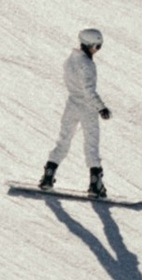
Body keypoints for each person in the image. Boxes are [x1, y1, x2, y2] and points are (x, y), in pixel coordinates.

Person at [39, 27, 111, 199]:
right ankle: (96, 184)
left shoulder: (70, 60)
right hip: (87, 108)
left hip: (71, 105)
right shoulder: (87, 64)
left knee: (64, 139)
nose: (98, 50)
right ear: (89, 44)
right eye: (97, 46)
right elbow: (88, 91)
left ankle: (48, 175)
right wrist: (101, 107)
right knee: (91, 144)